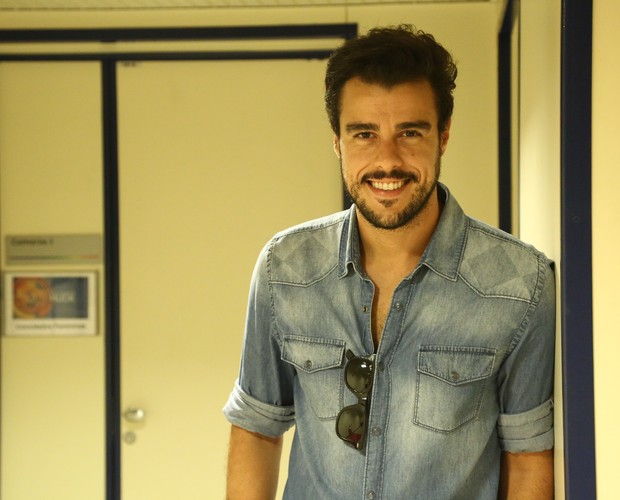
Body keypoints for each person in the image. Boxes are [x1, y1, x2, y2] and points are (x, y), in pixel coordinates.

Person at [224, 25, 555, 499]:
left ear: (443, 136)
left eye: (410, 132)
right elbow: (257, 426)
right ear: (337, 142)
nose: (387, 160)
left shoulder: (521, 283)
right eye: (364, 134)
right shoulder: (285, 267)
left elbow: (527, 459)